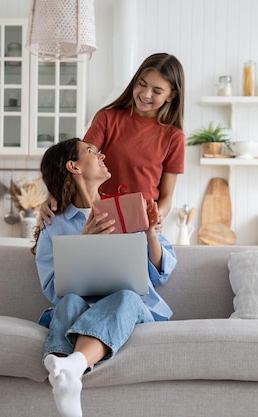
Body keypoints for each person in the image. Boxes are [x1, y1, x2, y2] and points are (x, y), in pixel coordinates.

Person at [32, 138, 177, 417]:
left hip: (130, 308)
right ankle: (67, 378)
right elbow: (54, 289)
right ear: (73, 166)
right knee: (71, 300)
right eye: (91, 151)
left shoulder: (128, 207)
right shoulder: (54, 224)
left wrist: (149, 232)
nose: (101, 154)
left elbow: (161, 273)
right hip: (79, 307)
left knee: (125, 296)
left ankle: (69, 366)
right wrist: (84, 244)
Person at [39, 52, 185, 230]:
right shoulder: (108, 118)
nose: (146, 94)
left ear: (171, 95)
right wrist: (53, 195)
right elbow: (79, 163)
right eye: (142, 84)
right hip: (102, 219)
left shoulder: (174, 137)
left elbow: (167, 196)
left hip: (142, 223)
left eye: (157, 91)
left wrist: (158, 217)